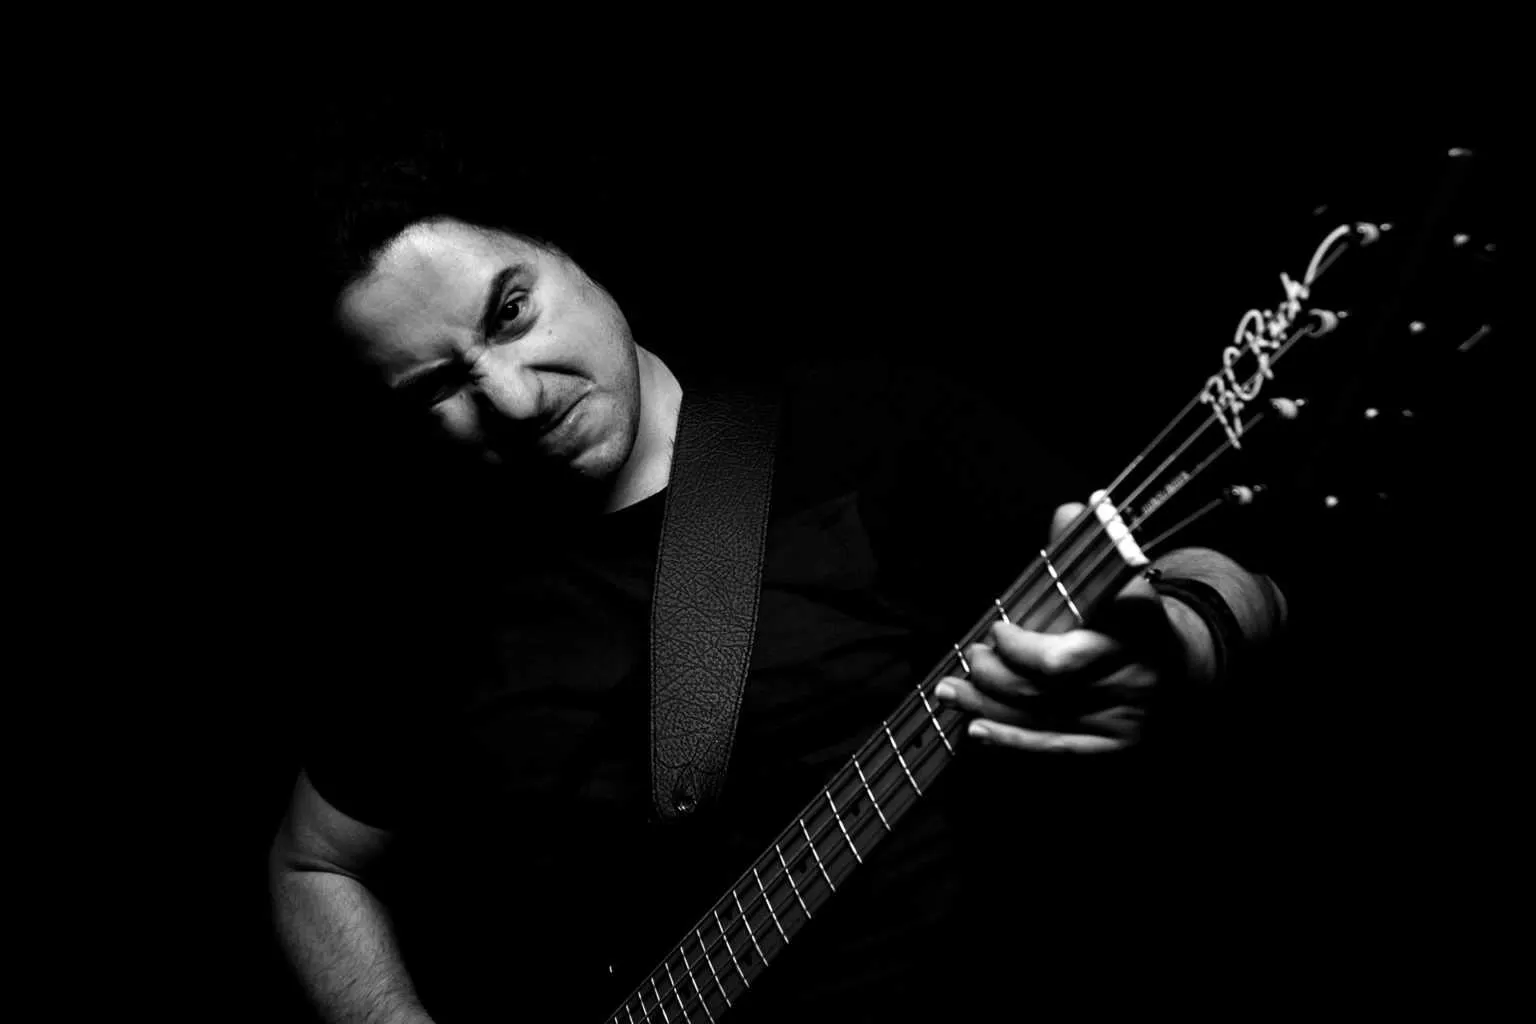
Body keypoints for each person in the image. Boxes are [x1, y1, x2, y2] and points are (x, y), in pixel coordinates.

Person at [268, 142, 1288, 1023]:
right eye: (439, 385)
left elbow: (1224, 576)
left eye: (512, 311)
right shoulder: (429, 595)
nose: (515, 396)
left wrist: (1182, 646)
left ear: (568, 248)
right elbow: (313, 863)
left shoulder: (873, 429)